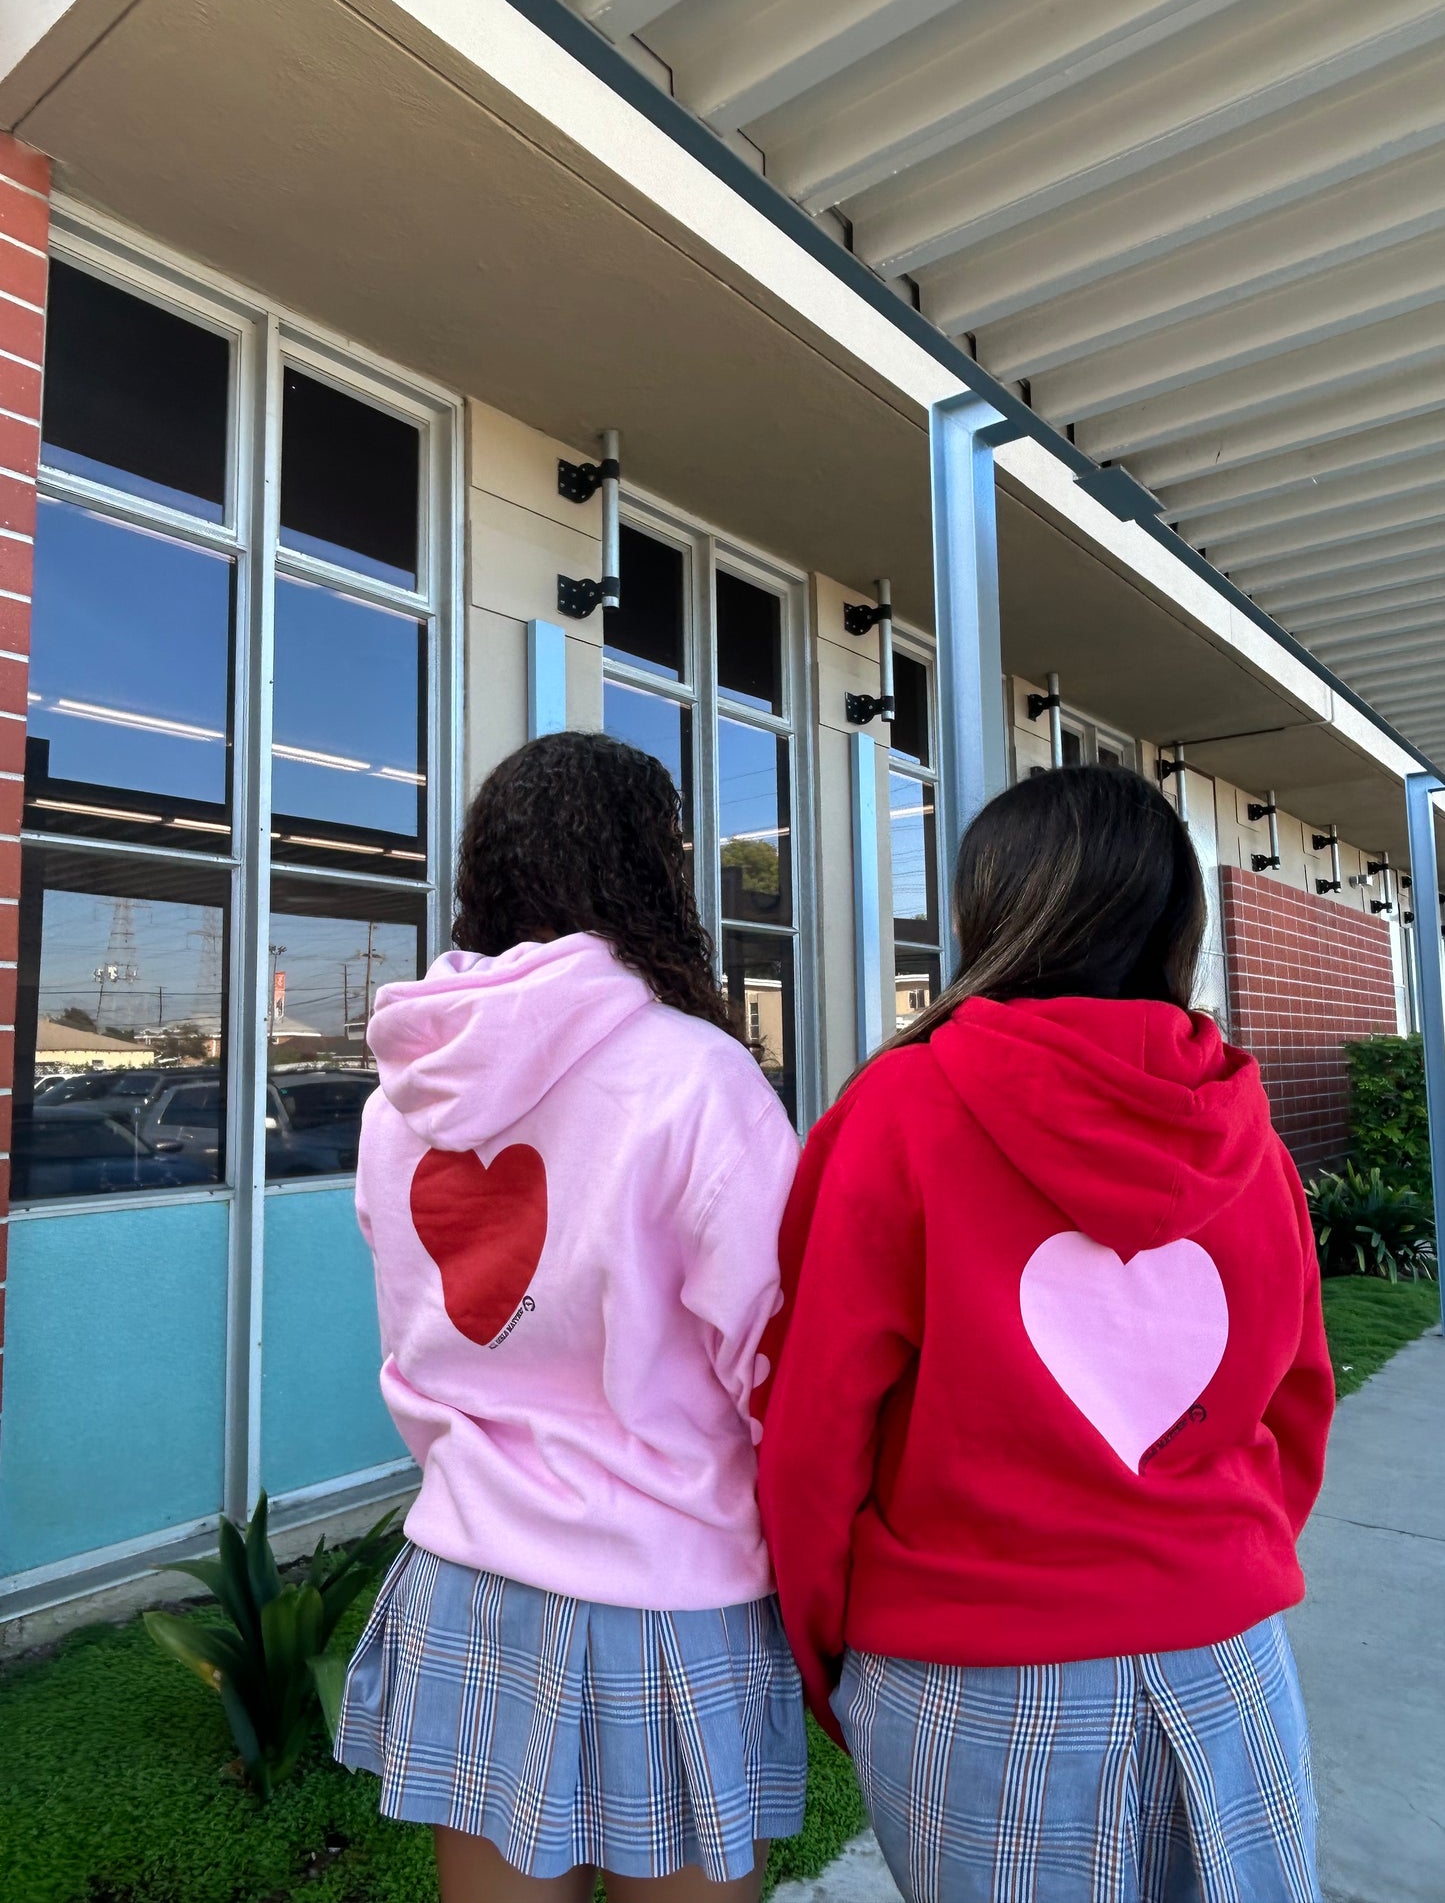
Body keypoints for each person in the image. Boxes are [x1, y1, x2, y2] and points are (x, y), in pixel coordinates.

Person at [756, 764, 1333, 1903]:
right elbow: (1294, 1404)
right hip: (1227, 1664)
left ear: (987, 908)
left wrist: (831, 1654)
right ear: (1177, 921)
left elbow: (814, 1426)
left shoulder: (897, 1111)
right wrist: (1208, 1559)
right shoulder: (1245, 1135)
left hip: (973, 1678)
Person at [337, 732, 806, 1903]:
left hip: (471, 1567)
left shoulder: (401, 1096)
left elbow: (414, 1322)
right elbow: (778, 1357)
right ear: (652, 872)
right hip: (673, 1586)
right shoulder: (695, 1076)